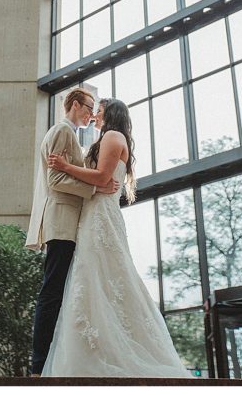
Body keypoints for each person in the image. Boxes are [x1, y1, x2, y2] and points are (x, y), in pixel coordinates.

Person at [42, 99, 190, 377]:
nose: (94, 114)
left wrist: (64, 166)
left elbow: (101, 177)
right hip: (94, 212)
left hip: (101, 214)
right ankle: (96, 349)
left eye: (99, 110)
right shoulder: (108, 138)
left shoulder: (112, 135)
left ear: (110, 114)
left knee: (102, 275)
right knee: (94, 278)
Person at [26, 87, 119, 376]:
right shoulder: (62, 131)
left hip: (68, 221)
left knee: (57, 291)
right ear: (76, 105)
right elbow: (55, 180)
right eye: (89, 107)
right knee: (51, 292)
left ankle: (50, 361)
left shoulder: (71, 135)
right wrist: (95, 187)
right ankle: (39, 364)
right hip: (62, 220)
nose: (92, 114)